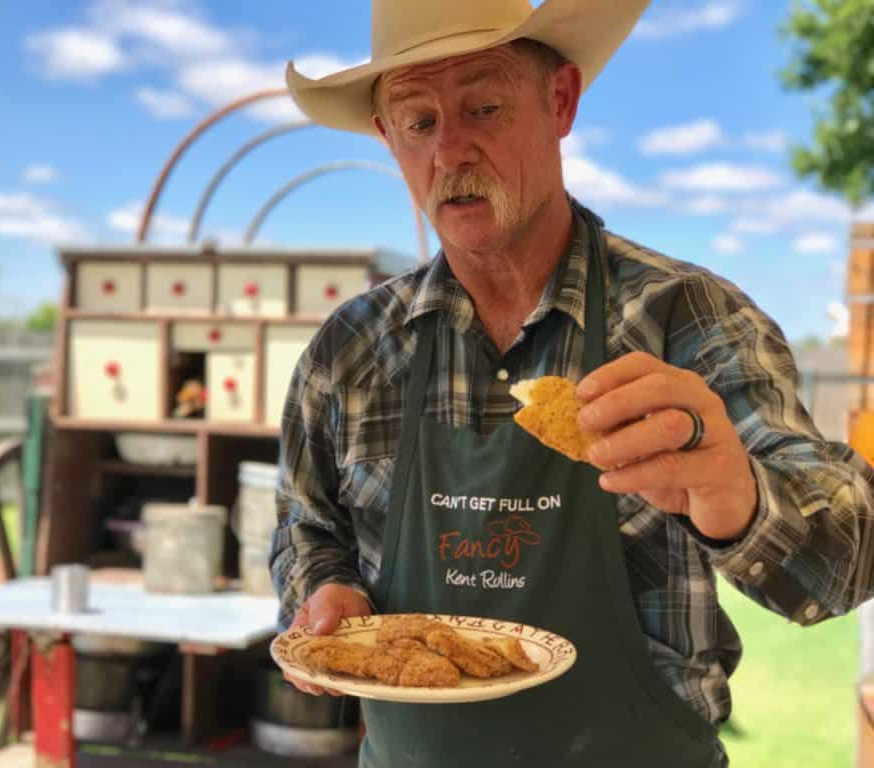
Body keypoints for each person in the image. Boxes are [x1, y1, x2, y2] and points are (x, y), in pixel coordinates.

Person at [270, 0, 874, 765]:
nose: (451, 148)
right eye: (418, 123)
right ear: (389, 139)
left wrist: (739, 497)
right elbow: (307, 526)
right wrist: (326, 595)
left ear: (560, 101)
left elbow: (851, 561)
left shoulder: (686, 318)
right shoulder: (350, 350)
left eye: (483, 105)